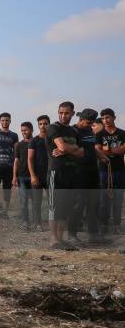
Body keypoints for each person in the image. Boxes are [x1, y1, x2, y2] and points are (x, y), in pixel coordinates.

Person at [47, 101, 83, 250]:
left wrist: (68, 149)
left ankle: (61, 239)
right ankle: (53, 239)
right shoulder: (53, 127)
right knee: (54, 207)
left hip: (72, 173)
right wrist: (71, 148)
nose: (63, 115)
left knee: (65, 207)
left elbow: (82, 153)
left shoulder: (74, 132)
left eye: (66, 113)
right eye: (60, 112)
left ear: (73, 113)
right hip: (56, 172)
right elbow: (61, 146)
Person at [73, 109, 111, 245]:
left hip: (92, 171)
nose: (90, 125)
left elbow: (92, 148)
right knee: (78, 204)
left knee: (94, 204)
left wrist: (102, 156)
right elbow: (70, 149)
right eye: (88, 122)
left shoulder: (89, 130)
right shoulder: (73, 131)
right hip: (79, 172)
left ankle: (93, 236)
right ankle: (72, 235)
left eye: (92, 123)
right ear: (81, 119)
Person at [95, 108, 124, 235]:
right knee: (104, 200)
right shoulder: (99, 135)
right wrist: (116, 149)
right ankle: (103, 226)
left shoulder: (123, 133)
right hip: (104, 170)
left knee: (118, 199)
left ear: (114, 117)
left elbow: (123, 151)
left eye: (107, 117)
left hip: (120, 170)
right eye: (103, 118)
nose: (105, 120)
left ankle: (117, 225)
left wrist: (107, 150)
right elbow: (98, 151)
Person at [27, 115, 50, 232]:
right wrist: (32, 176)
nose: (43, 126)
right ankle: (38, 224)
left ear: (49, 125)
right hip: (37, 176)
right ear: (38, 126)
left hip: (51, 175)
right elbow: (30, 159)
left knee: (53, 201)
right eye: (40, 124)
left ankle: (53, 224)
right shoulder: (34, 140)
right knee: (37, 202)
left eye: (45, 123)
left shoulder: (53, 140)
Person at [13, 122, 33, 230]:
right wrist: (14, 177)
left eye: (26, 130)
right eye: (22, 130)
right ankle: (25, 222)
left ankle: (36, 222)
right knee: (23, 201)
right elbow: (16, 161)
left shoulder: (36, 142)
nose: (24, 132)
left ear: (31, 130)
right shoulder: (18, 145)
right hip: (22, 176)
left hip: (34, 176)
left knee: (35, 201)